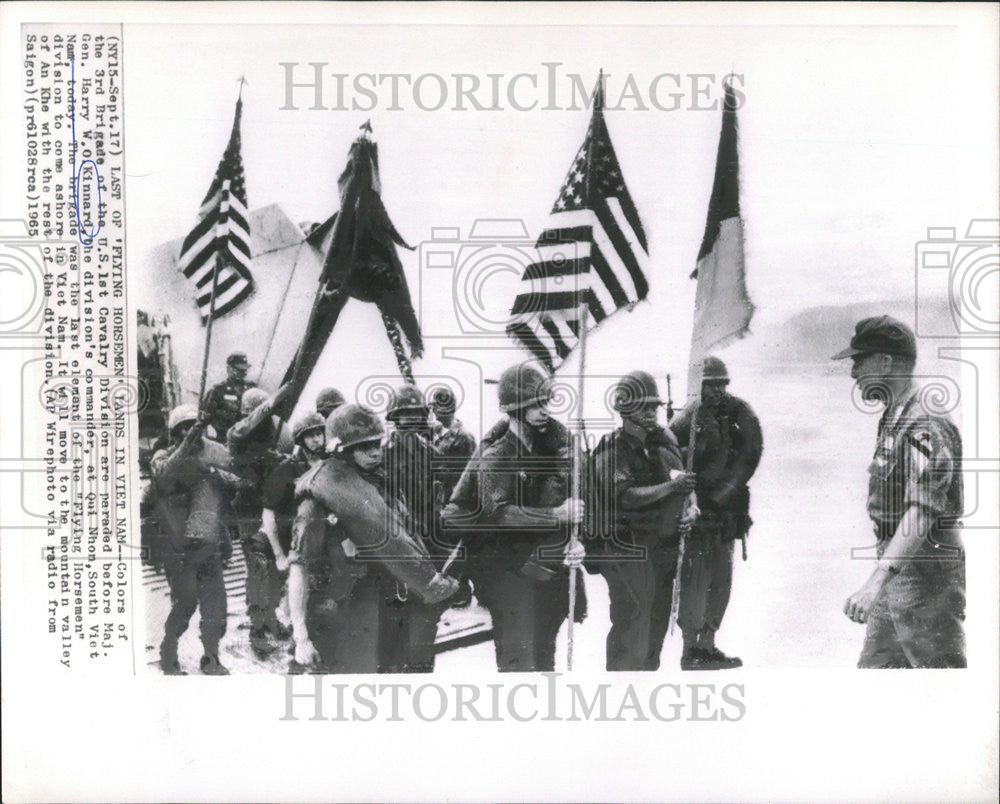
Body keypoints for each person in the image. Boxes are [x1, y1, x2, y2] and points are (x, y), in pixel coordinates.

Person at [833, 315, 965, 668]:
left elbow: (922, 512)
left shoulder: (924, 422)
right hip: (898, 564)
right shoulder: (896, 413)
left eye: (859, 361)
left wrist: (875, 582)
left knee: (938, 679)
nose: (853, 372)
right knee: (876, 671)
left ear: (886, 362)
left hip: (924, 569)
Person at [288, 404, 458, 673]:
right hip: (346, 614)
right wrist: (301, 638)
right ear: (341, 451)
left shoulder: (380, 484)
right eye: (364, 446)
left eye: (377, 443)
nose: (375, 451)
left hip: (392, 605)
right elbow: (300, 569)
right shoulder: (317, 501)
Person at [441, 363, 586, 672]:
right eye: (535, 404)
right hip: (505, 572)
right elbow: (499, 514)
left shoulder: (551, 449)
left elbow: (572, 504)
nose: (544, 410)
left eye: (546, 402)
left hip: (542, 569)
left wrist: (576, 544)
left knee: (545, 654)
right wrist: (555, 515)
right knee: (518, 659)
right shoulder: (496, 456)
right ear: (515, 409)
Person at [591, 371, 696, 671]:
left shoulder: (665, 444)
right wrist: (671, 488)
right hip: (628, 553)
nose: (652, 412)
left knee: (655, 632)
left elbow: (685, 486)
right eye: (644, 406)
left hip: (661, 551)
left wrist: (691, 510)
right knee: (631, 627)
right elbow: (625, 496)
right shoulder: (612, 451)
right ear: (624, 409)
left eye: (655, 406)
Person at [670, 356, 762, 671]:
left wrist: (727, 490)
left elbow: (752, 452)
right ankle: (690, 649)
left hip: (727, 515)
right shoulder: (686, 418)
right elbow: (667, 456)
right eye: (711, 384)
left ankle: (707, 645)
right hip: (698, 515)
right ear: (700, 386)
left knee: (721, 581)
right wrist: (686, 479)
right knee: (695, 581)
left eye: (722, 383)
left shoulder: (740, 412)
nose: (718, 390)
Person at [151, 404, 245, 675]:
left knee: (216, 607)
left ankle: (211, 658)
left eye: (191, 426)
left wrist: (227, 479)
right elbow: (166, 472)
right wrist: (191, 441)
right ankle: (168, 653)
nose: (187, 432)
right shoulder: (163, 456)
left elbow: (235, 477)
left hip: (209, 544)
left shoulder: (213, 452)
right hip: (178, 548)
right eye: (182, 428)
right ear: (173, 432)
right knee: (185, 604)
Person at [227, 383, 294, 657]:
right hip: (249, 512)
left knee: (275, 571)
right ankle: (258, 631)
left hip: (272, 511)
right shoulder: (237, 435)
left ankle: (270, 619)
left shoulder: (278, 433)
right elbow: (245, 429)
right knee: (258, 571)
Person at [430, 385, 478, 608]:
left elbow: (471, 470)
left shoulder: (464, 438)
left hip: (459, 501)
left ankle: (463, 591)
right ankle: (455, 590)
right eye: (435, 407)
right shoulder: (434, 436)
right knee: (446, 546)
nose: (438, 412)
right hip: (441, 502)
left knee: (460, 547)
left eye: (443, 408)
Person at [201, 352, 256, 442]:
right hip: (224, 439)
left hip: (246, 440)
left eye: (244, 370)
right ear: (228, 369)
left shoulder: (251, 388)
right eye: (238, 370)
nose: (242, 373)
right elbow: (206, 417)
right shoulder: (218, 390)